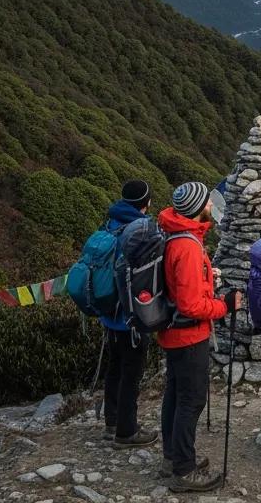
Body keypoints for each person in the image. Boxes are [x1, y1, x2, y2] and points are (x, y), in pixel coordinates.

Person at [157, 181, 240, 493]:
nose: (211, 206)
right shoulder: (188, 247)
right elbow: (192, 305)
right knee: (191, 401)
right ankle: (184, 469)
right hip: (189, 335)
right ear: (197, 209)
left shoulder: (175, 236)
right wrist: (226, 305)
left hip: (173, 331)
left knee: (176, 397)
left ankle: (172, 457)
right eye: (207, 202)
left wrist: (207, 280)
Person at [102, 179, 157, 448]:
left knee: (114, 368)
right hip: (131, 316)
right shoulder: (141, 230)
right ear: (145, 203)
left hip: (109, 311)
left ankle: (111, 421)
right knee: (131, 373)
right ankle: (127, 431)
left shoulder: (110, 222)